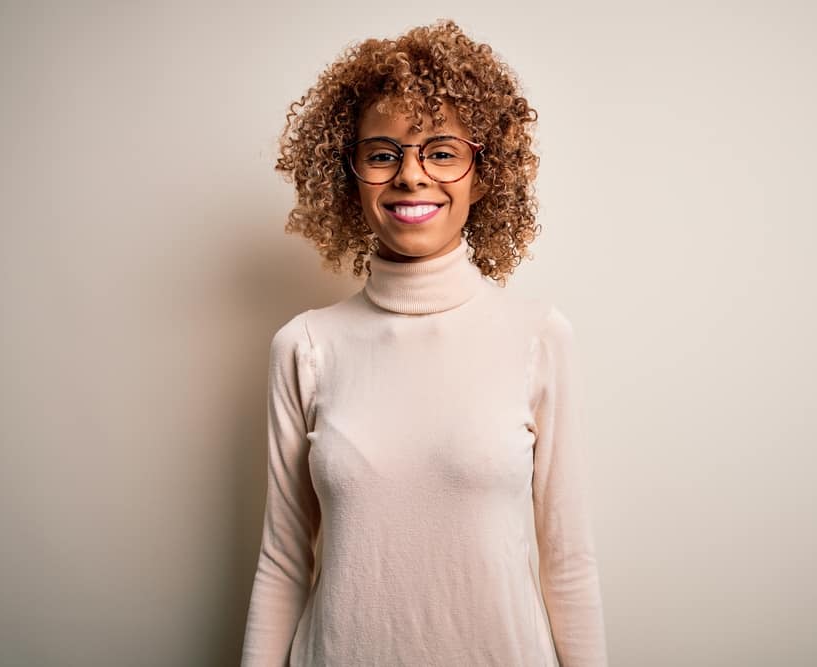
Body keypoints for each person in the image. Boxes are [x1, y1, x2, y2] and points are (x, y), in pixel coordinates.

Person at [241, 19, 609, 666]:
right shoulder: (304, 345)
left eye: (441, 151)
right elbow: (282, 559)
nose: (411, 175)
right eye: (383, 154)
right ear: (349, 176)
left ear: (482, 174)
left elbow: (568, 558)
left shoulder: (538, 335)